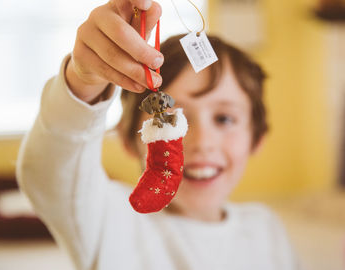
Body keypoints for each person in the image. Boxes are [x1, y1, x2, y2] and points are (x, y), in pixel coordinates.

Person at [16, 0, 300, 269]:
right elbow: (49, 173)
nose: (202, 142)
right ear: (130, 139)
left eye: (224, 118)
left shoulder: (268, 230)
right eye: (172, 117)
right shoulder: (108, 220)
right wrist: (84, 82)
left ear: (257, 138)